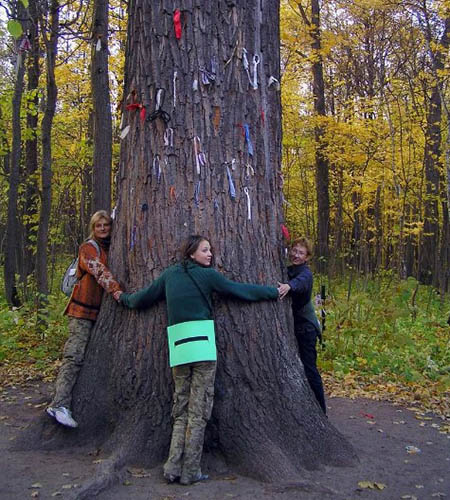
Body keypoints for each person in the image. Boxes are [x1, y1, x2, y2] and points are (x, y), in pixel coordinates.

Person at [113, 234, 279, 485]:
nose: (210, 254)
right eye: (205, 250)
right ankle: (190, 470)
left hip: (178, 346)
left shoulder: (170, 275)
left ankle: (172, 466)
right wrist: (273, 292)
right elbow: (239, 290)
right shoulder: (208, 276)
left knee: (180, 407)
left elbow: (142, 298)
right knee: (198, 409)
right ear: (191, 253)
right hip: (202, 346)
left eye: (210, 250)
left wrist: (122, 298)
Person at [47, 210, 122, 428]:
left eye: (106, 225)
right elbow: (98, 270)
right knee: (74, 356)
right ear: (92, 227)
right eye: (98, 225)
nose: (102, 229)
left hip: (99, 313)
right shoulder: (88, 248)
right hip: (81, 313)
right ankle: (59, 404)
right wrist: (116, 291)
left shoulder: (112, 246)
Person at [278, 237, 326, 414]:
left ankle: (321, 411)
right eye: (294, 251)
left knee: (309, 369)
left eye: (301, 253)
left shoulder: (305, 272)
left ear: (307, 257)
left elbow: (301, 282)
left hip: (306, 329)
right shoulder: (290, 269)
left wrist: (289, 286)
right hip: (296, 328)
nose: (296, 255)